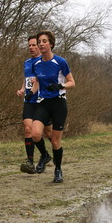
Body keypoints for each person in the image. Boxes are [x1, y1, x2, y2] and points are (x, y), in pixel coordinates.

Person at [30, 30, 76, 183]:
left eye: (44, 41)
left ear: (51, 44)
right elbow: (37, 81)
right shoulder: (36, 63)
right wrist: (31, 93)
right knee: (35, 134)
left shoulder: (60, 62)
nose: (41, 44)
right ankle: (44, 155)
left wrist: (59, 85)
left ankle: (58, 169)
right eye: (39, 42)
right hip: (44, 102)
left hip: (59, 103)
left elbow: (72, 82)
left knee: (55, 142)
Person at [17, 35, 52, 174]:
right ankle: (30, 162)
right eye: (29, 45)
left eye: (34, 45)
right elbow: (27, 80)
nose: (31, 47)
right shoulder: (26, 62)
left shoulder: (44, 61)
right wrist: (22, 90)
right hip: (29, 101)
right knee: (27, 129)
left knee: (48, 132)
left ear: (39, 46)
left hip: (42, 101)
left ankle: (45, 155)